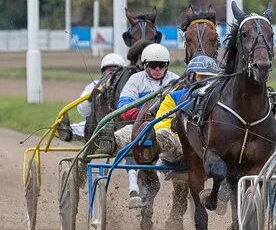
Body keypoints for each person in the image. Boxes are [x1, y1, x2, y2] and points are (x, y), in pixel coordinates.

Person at [113, 43, 180, 208]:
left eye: (161, 65)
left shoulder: (176, 81)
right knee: (113, 137)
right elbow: (124, 104)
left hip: (167, 129)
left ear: (167, 66)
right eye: (153, 65)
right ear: (145, 65)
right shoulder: (136, 80)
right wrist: (139, 115)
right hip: (139, 127)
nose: (157, 69)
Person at [148, 56, 220, 164]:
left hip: (210, 150)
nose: (207, 82)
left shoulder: (219, 100)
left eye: (210, 78)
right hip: (179, 147)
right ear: (191, 77)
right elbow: (160, 125)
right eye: (202, 77)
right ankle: (115, 142)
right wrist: (178, 130)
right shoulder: (174, 97)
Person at [57, 53, 126, 142]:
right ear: (103, 71)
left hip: (121, 123)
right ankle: (68, 132)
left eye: (115, 70)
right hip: (98, 123)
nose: (112, 72)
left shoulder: (128, 85)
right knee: (88, 125)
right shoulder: (93, 86)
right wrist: (90, 99)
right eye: (109, 69)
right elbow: (83, 111)